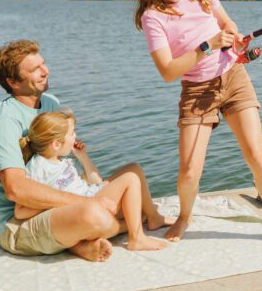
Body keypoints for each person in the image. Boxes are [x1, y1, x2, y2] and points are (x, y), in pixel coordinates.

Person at [136, 0, 262, 244]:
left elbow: (227, 22)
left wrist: (232, 34)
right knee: (190, 171)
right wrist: (207, 45)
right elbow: (168, 71)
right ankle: (184, 217)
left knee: (256, 155)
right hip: (197, 91)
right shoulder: (153, 16)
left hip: (233, 77)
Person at [0, 40, 170, 263]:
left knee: (132, 174)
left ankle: (81, 242)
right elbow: (16, 190)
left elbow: (59, 166)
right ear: (13, 82)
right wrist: (87, 202)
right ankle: (90, 239)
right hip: (18, 225)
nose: (45, 71)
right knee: (96, 214)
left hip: (54, 209)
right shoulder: (4, 122)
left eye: (43, 64)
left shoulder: (49, 103)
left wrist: (89, 187)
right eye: (34, 69)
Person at [16, 107, 166, 251]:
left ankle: (153, 218)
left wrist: (82, 156)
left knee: (134, 168)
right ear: (56, 144)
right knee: (130, 179)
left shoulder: (62, 159)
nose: (75, 136)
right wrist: (56, 202)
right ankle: (136, 238)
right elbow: (20, 211)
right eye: (71, 133)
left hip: (92, 194)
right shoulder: (38, 166)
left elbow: (96, 181)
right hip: (87, 206)